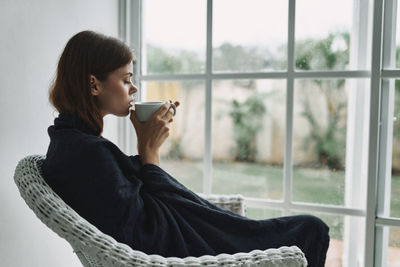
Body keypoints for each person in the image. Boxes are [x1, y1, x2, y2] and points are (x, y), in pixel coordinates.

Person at [41, 30, 329, 267]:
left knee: (304, 228)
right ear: (94, 85)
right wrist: (148, 150)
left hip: (190, 234)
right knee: (309, 229)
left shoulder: (71, 142)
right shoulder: (86, 152)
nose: (134, 89)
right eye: (126, 79)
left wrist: (147, 148)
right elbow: (145, 235)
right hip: (189, 250)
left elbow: (131, 205)